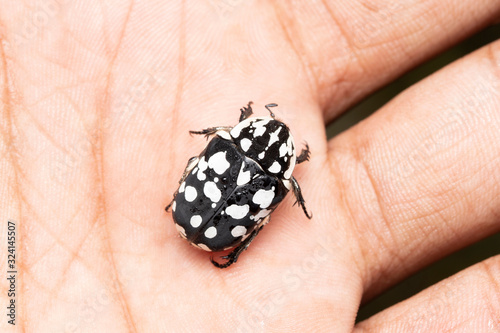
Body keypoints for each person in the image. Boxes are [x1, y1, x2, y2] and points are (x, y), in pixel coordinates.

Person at [1, 1, 499, 331]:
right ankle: (218, 233)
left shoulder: (234, 144)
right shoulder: (276, 176)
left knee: (229, 182)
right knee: (252, 202)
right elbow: (260, 191)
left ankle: (199, 216)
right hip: (208, 217)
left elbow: (214, 154)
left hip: (197, 210)